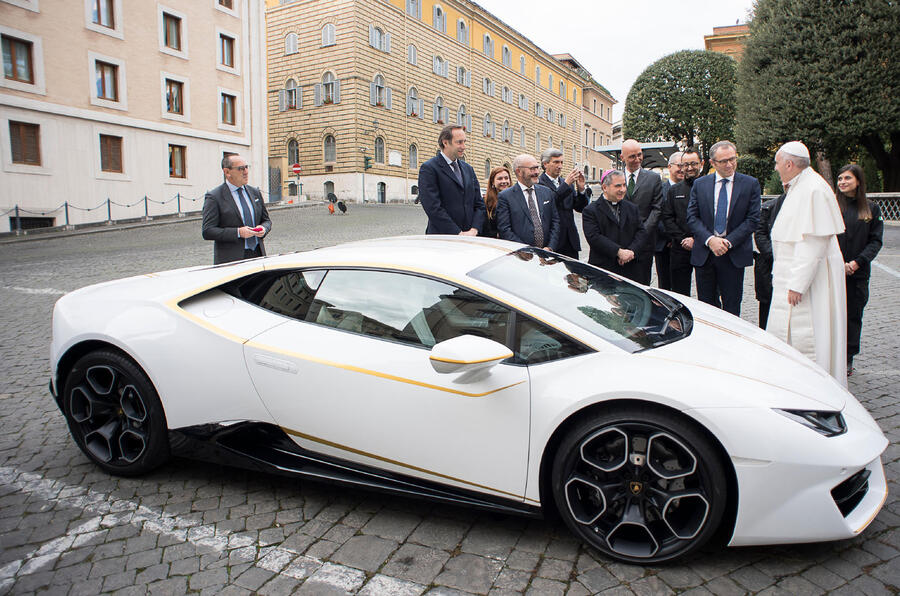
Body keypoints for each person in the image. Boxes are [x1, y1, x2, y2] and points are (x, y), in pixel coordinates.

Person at [767, 141, 847, 384]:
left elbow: (812, 242)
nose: (777, 168)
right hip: (797, 277)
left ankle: (814, 385)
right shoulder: (799, 186)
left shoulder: (813, 189)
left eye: (778, 163)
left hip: (811, 282)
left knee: (811, 334)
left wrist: (797, 285)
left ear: (789, 164)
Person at [686, 140, 760, 316]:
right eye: (724, 161)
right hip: (705, 254)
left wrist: (727, 242)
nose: (729, 164)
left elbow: (752, 219)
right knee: (707, 307)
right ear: (712, 163)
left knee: (732, 307)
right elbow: (692, 217)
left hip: (733, 254)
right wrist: (710, 240)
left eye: (733, 159)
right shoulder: (700, 184)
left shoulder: (750, 184)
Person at [835, 164, 883, 376]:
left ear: (858, 181)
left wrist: (857, 263)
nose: (842, 182)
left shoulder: (871, 209)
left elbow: (875, 241)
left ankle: (847, 357)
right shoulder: (832, 206)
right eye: (840, 179)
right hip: (833, 271)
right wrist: (838, 263)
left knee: (853, 317)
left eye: (847, 178)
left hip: (857, 273)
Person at [201, 154, 271, 265]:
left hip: (258, 255)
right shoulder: (214, 197)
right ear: (227, 172)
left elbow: (266, 220)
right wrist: (238, 232)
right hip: (232, 260)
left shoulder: (255, 192)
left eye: (246, 167)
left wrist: (263, 228)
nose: (246, 172)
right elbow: (208, 231)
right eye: (240, 168)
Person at [418, 125, 485, 235]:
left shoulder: (468, 169)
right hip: (443, 238)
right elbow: (433, 208)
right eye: (459, 142)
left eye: (465, 142)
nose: (464, 147)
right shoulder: (429, 168)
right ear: (445, 143)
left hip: (470, 237)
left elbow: (479, 204)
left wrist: (474, 229)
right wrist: (458, 233)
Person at [582, 170, 647, 281]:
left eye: (624, 185)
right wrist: (618, 252)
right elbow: (594, 237)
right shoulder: (591, 210)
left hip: (630, 268)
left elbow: (641, 232)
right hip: (603, 269)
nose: (622, 189)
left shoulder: (632, 208)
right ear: (605, 187)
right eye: (618, 186)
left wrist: (631, 252)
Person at [620, 139, 664, 285]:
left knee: (642, 286)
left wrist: (641, 234)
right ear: (622, 158)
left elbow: (657, 209)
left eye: (639, 155)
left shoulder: (653, 178)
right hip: (620, 243)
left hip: (644, 245)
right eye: (632, 156)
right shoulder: (614, 178)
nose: (637, 159)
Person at [496, 154, 559, 250]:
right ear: (519, 171)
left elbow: (555, 222)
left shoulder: (547, 192)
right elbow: (505, 230)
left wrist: (550, 247)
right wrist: (526, 250)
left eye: (537, 168)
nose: (537, 172)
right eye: (532, 169)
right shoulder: (505, 197)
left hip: (547, 255)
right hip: (521, 257)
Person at [661, 150, 701, 296]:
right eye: (686, 164)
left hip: (704, 246)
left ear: (701, 164)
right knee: (679, 293)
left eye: (693, 164)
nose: (690, 168)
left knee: (708, 295)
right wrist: (683, 239)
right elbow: (668, 217)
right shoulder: (674, 190)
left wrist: (697, 239)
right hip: (680, 248)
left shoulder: (709, 187)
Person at [538, 148, 590, 259]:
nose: (560, 166)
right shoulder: (539, 183)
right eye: (556, 162)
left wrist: (581, 190)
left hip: (570, 240)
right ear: (545, 164)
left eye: (562, 162)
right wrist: (566, 185)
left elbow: (580, 208)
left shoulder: (566, 183)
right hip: (553, 241)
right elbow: (550, 203)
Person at [753, 192, 786, 328]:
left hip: (790, 266)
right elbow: (759, 233)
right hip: (768, 265)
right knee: (766, 309)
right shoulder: (768, 207)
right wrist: (775, 255)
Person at [655, 152, 683, 289]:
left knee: (682, 286)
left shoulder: (692, 189)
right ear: (669, 167)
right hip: (663, 245)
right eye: (679, 165)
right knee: (664, 286)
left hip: (684, 246)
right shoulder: (659, 189)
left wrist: (680, 238)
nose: (682, 169)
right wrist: (672, 237)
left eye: (685, 165)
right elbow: (656, 215)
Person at [480, 166, 512, 239]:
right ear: (493, 182)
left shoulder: (517, 199)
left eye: (506, 178)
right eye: (500, 179)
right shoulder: (485, 202)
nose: (504, 181)